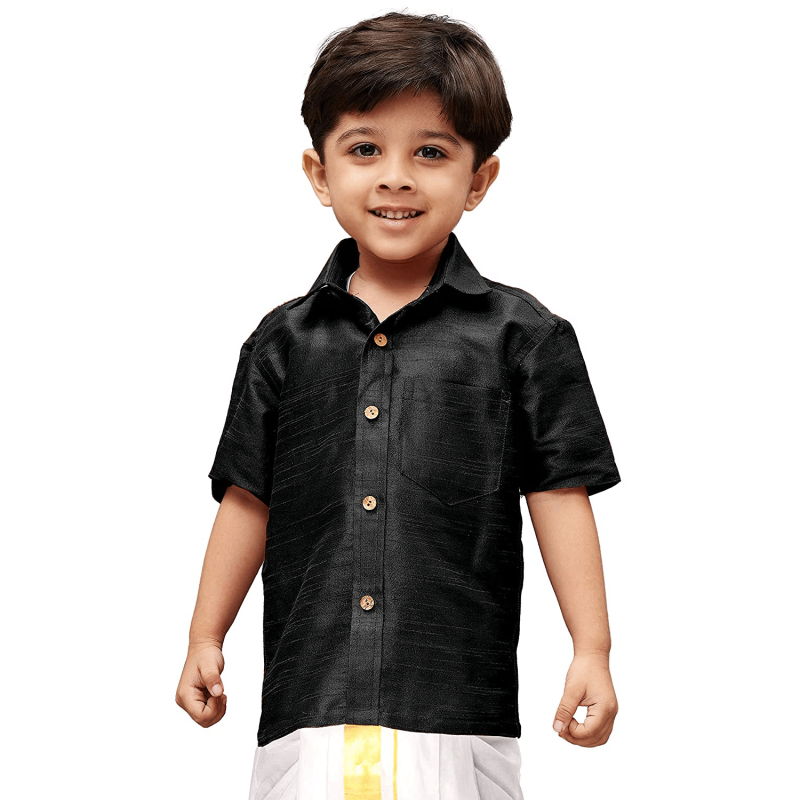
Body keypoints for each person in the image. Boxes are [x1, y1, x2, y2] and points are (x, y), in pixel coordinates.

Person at [175, 11, 622, 800]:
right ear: (319, 173)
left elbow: (559, 492)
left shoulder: (524, 338)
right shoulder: (282, 343)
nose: (395, 177)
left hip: (454, 708)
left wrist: (593, 648)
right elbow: (248, 497)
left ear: (479, 179)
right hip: (309, 706)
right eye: (364, 149)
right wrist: (204, 634)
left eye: (431, 152)